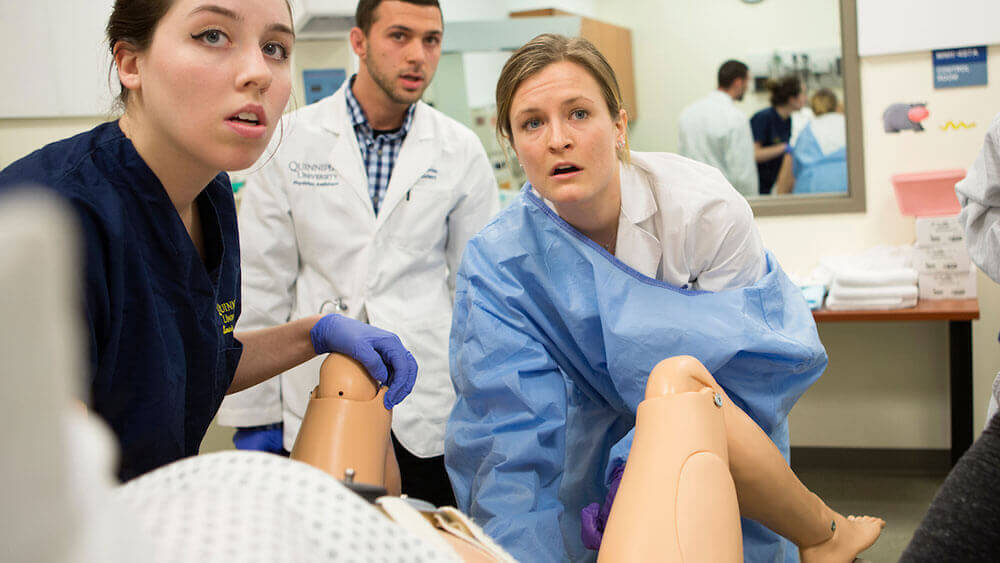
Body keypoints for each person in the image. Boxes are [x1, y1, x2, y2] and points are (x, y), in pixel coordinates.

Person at [445, 33, 860, 562]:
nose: (557, 140)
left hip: (715, 448)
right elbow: (509, 437)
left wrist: (640, 466)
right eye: (532, 122)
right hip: (575, 455)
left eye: (578, 113)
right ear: (511, 142)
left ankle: (823, 535)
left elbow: (751, 375)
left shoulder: (702, 212)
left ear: (619, 125)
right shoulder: (500, 263)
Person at [0, 0, 417, 482]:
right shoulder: (46, 218)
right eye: (212, 36)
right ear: (131, 63)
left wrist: (314, 333)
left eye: (275, 47)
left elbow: (190, 361)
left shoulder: (210, 194)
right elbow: (48, 478)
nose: (258, 72)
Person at [216, 0, 498, 507]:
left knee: (423, 541)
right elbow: (259, 282)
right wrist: (256, 417)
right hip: (321, 388)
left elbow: (475, 292)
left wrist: (484, 407)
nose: (417, 55)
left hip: (425, 400)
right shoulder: (290, 138)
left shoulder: (460, 148)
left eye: (431, 40)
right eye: (399, 36)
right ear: (359, 42)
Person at [677, 60, 759, 197]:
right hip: (724, 201)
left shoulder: (688, 113)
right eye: (747, 82)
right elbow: (743, 175)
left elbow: (683, 159)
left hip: (692, 198)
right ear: (738, 82)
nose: (747, 88)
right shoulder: (736, 118)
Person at [774, 88, 847, 195]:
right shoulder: (849, 127)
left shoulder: (805, 132)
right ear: (837, 106)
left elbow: (785, 181)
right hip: (847, 192)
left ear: (813, 109)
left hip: (811, 193)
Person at [751, 75, 805, 194]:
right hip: (758, 186)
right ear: (792, 99)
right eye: (803, 94)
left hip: (772, 183)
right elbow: (754, 154)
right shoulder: (763, 118)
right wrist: (783, 148)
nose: (805, 98)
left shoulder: (787, 120)